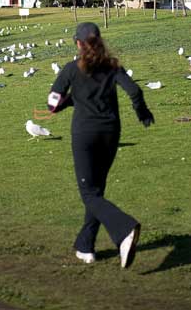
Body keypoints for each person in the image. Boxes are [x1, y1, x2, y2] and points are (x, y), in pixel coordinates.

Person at [47, 22, 154, 268]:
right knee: (96, 191)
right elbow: (135, 91)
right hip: (110, 134)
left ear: (78, 44)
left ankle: (124, 229)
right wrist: (143, 113)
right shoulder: (113, 67)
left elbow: (52, 103)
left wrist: (67, 102)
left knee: (89, 193)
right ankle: (86, 247)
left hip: (85, 135)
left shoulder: (71, 69)